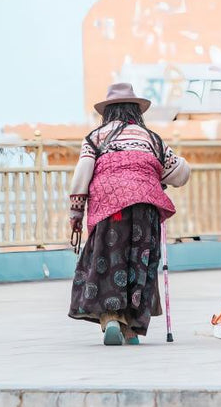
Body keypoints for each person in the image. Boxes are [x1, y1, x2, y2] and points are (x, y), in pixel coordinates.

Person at [67, 82, 191, 345]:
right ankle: (131, 328)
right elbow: (178, 173)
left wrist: (76, 213)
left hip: (110, 209)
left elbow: (82, 174)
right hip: (146, 206)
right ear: (136, 111)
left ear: (108, 112)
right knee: (139, 262)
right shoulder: (151, 139)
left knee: (106, 261)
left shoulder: (96, 137)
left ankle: (111, 317)